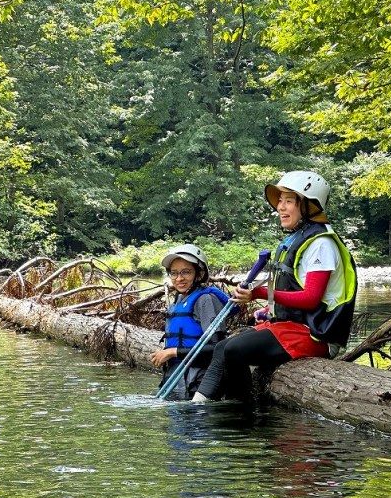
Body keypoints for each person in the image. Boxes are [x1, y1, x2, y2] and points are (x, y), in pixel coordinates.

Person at [192, 171, 357, 403]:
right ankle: (203, 407)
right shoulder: (298, 238)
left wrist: (259, 293)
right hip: (293, 326)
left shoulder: (322, 244)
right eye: (280, 200)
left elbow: (311, 298)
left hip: (316, 335)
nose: (280, 207)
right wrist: (269, 310)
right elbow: (292, 294)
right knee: (222, 348)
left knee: (234, 350)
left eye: (289, 201)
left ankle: (238, 414)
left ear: (309, 206)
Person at [150, 244, 231, 400]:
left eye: (186, 272)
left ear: (199, 274)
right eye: (174, 273)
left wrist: (172, 352)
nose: (179, 279)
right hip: (178, 380)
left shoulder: (205, 300)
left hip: (200, 384)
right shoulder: (178, 300)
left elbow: (218, 349)